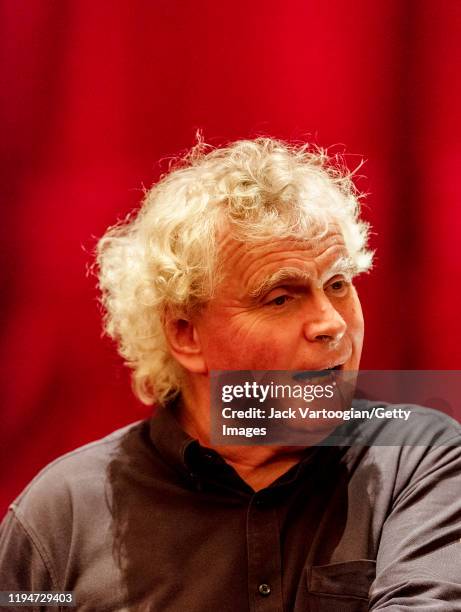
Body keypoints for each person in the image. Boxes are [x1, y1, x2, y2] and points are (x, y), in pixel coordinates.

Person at [1, 137, 460, 611]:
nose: (332, 323)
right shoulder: (62, 517)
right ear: (186, 334)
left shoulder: (418, 456)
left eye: (338, 284)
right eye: (280, 297)